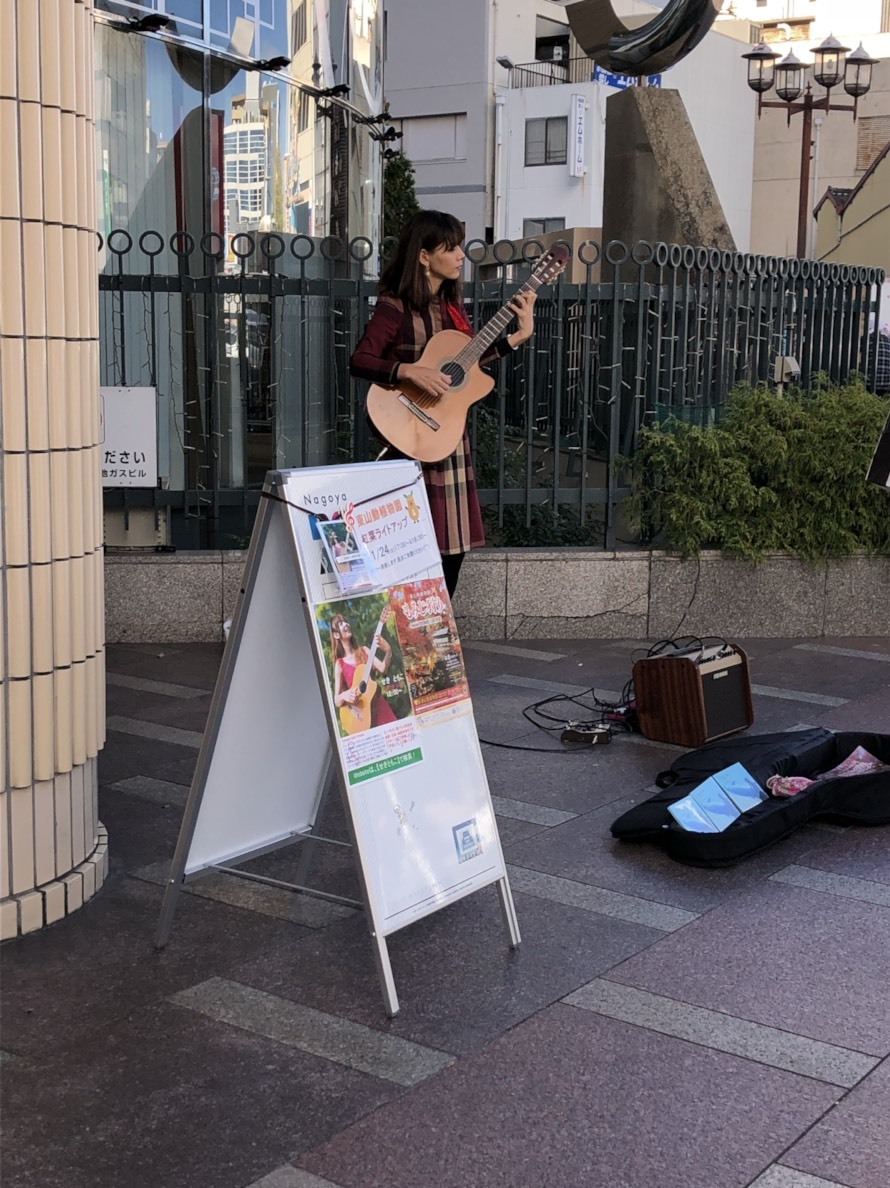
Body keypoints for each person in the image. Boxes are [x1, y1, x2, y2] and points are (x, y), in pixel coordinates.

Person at [350, 210, 536, 597]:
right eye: (450, 248)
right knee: (404, 543)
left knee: (453, 546)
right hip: (408, 435)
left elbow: (463, 366)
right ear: (423, 256)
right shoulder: (394, 306)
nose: (459, 256)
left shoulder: (452, 308)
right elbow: (360, 360)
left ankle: (437, 625)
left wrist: (516, 338)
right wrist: (408, 371)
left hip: (448, 436)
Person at [330, 610, 397, 731]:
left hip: (379, 707)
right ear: (336, 635)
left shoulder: (365, 650)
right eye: (340, 623)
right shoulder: (339, 664)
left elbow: (382, 668)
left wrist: (388, 651)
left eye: (345, 621)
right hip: (361, 714)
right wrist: (344, 695)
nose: (346, 624)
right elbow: (337, 700)